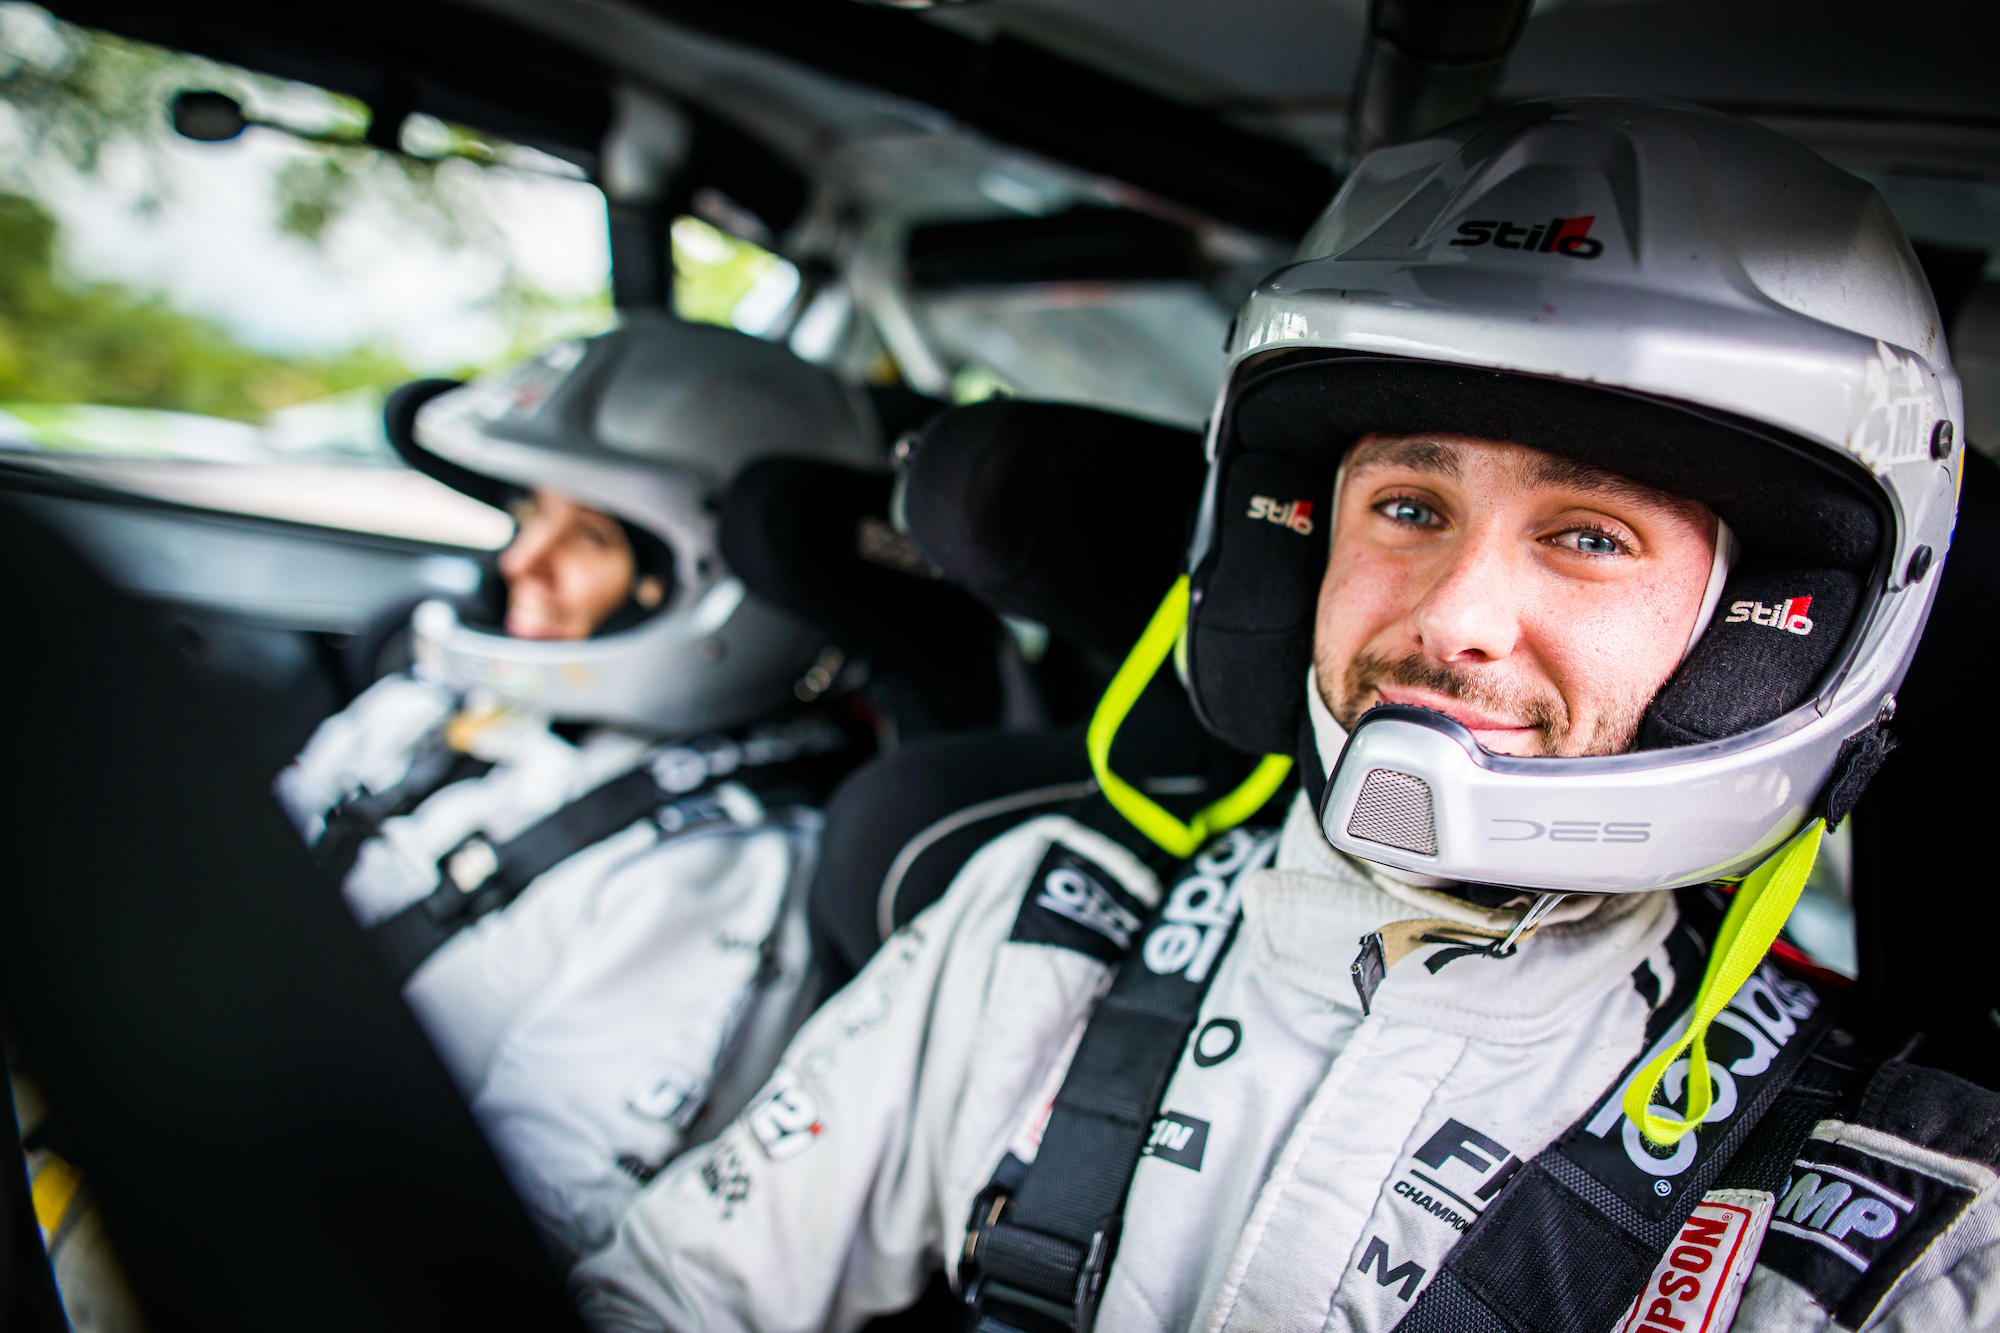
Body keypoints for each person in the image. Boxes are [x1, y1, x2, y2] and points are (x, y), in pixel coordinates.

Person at [567, 100, 1992, 1333]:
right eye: (1408, 508)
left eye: (1588, 538)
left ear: (1768, 628)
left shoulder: (1905, 1212)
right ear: (1287, 550)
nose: (1451, 617)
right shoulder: (1046, 924)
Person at [276, 314, 888, 1262]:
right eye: (530, 512)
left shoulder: (716, 866)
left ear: (706, 582)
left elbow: (525, 1229)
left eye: (589, 536)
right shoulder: (427, 702)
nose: (520, 561)